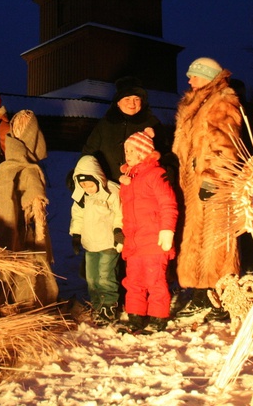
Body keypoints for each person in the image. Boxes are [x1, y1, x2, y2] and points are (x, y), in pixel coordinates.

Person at [172, 57, 242, 321]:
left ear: (209, 76)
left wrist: (213, 176)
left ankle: (217, 298)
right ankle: (202, 293)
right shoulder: (196, 101)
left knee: (215, 240)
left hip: (213, 181)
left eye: (194, 76)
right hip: (192, 183)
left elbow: (225, 144)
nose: (189, 81)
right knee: (195, 237)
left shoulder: (222, 101)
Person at [0, 109, 58, 307]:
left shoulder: (29, 170)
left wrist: (40, 237)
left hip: (25, 232)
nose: (17, 130)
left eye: (23, 127)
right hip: (5, 226)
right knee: (9, 266)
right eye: (16, 126)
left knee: (24, 268)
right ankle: (11, 300)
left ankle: (25, 301)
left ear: (30, 134)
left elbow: (37, 205)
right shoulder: (8, 166)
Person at [118, 128, 178, 333]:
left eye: (132, 151)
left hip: (154, 239)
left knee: (155, 280)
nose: (128, 155)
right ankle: (135, 316)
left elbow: (168, 203)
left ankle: (157, 317)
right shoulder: (128, 179)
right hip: (134, 241)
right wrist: (122, 235)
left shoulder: (155, 174)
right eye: (126, 151)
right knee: (133, 280)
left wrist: (167, 230)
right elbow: (125, 212)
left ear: (143, 152)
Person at [69, 154, 123, 327]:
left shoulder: (111, 191)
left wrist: (118, 232)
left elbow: (120, 212)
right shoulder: (81, 195)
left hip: (108, 243)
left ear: (98, 178)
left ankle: (109, 306)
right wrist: (76, 235)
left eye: (90, 184)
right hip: (91, 244)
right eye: (83, 185)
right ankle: (98, 305)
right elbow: (77, 215)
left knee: (105, 276)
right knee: (92, 277)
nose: (88, 188)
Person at [82, 76, 168, 183]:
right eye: (127, 99)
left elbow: (166, 152)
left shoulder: (152, 123)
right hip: (109, 186)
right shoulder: (105, 124)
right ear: (118, 102)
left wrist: (167, 173)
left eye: (136, 99)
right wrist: (81, 174)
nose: (132, 103)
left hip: (143, 188)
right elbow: (89, 153)